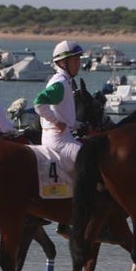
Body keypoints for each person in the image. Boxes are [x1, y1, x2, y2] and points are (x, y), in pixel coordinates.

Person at [32, 40, 86, 182]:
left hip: (63, 137)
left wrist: (77, 124)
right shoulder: (60, 83)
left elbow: (62, 113)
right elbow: (38, 103)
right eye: (75, 60)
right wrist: (56, 122)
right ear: (62, 63)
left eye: (79, 60)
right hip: (58, 141)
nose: (78, 64)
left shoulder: (64, 81)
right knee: (89, 158)